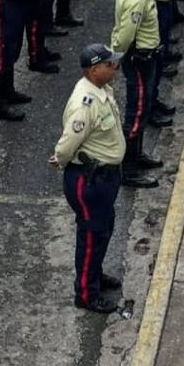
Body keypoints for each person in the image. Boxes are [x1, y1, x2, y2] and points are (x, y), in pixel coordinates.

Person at [49, 43, 126, 314]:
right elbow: (68, 142)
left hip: (106, 176)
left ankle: (94, 274)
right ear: (94, 70)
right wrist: (60, 159)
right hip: (89, 180)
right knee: (92, 235)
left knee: (104, 228)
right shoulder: (85, 103)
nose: (115, 67)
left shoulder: (102, 90)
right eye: (109, 64)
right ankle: (85, 293)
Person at [109, 0, 165, 191]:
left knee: (143, 107)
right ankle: (129, 169)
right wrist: (116, 56)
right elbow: (125, 33)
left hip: (144, 57)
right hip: (139, 59)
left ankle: (137, 153)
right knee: (137, 112)